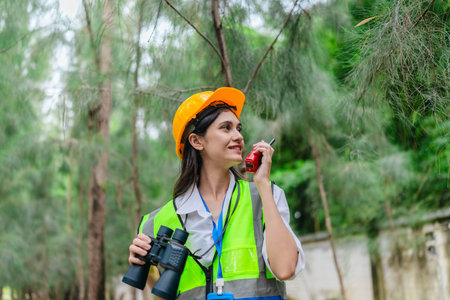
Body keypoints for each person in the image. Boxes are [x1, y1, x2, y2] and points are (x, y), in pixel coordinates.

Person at [128, 87, 305, 299]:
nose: (238, 136)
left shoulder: (264, 197)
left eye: (238, 128)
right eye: (226, 128)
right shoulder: (157, 222)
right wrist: (147, 270)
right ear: (196, 141)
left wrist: (263, 184)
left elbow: (285, 269)